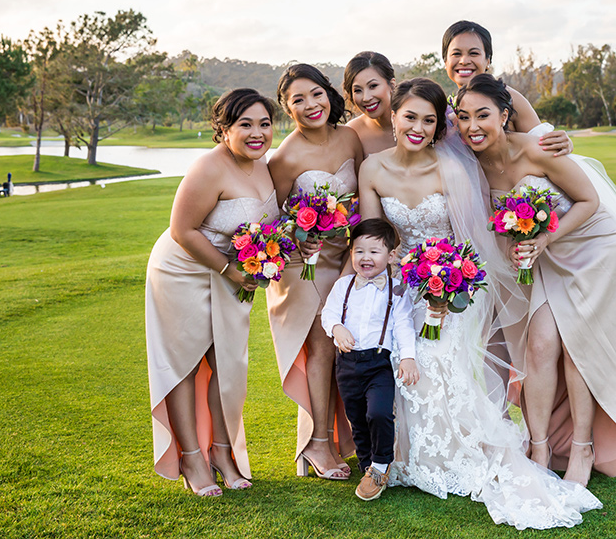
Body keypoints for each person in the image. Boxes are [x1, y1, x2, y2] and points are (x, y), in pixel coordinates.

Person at [358, 77, 602, 530]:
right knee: (391, 350)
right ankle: (396, 456)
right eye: (409, 116)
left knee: (437, 353)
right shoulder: (371, 168)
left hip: (452, 285)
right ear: (392, 116)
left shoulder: (452, 166)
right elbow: (375, 239)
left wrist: (447, 285)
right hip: (399, 284)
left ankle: (470, 455)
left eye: (428, 120)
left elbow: (471, 237)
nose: (417, 126)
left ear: (438, 127)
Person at [455, 74, 616, 486]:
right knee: (539, 346)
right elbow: (498, 225)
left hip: (594, 249)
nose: (473, 126)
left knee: (579, 349)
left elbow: (590, 200)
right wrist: (515, 247)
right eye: (464, 117)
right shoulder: (474, 165)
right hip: (546, 259)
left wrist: (544, 238)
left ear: (505, 115)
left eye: (483, 115)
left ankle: (582, 447)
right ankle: (538, 446)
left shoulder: (538, 150)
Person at [145, 88, 280, 496]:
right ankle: (190, 457)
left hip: (232, 274)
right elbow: (182, 230)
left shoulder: (264, 166)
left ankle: (222, 452)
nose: (257, 133)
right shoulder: (208, 167)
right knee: (185, 363)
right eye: (245, 125)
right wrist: (229, 270)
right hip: (183, 270)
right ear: (223, 130)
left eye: (265, 124)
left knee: (226, 363)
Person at [266, 63, 364, 480]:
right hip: (303, 266)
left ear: (329, 93)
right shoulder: (285, 157)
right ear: (287, 109)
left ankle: (344, 437)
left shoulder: (350, 137)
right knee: (322, 347)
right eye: (297, 100)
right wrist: (297, 235)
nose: (310, 105)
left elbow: (364, 195)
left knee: (348, 343)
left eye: (316, 94)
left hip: (348, 259)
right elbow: (270, 220)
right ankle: (319, 445)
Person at [321, 218, 419, 501]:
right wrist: (337, 328)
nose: (365, 257)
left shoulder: (397, 290)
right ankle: (367, 465)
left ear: (390, 256)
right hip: (347, 364)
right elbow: (329, 315)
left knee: (378, 412)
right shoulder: (343, 286)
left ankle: (380, 463)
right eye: (359, 250)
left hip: (378, 364)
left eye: (374, 252)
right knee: (358, 419)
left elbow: (403, 325)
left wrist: (408, 358)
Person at [441, 20, 573, 156]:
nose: (464, 61)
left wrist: (564, 143)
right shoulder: (446, 107)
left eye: (473, 53)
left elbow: (545, 145)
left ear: (488, 60)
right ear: (445, 62)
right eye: (456, 54)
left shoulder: (509, 97)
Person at [344, 51, 398, 158]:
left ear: (392, 85)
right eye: (358, 90)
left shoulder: (416, 121)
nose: (366, 98)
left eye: (373, 86)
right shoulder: (352, 133)